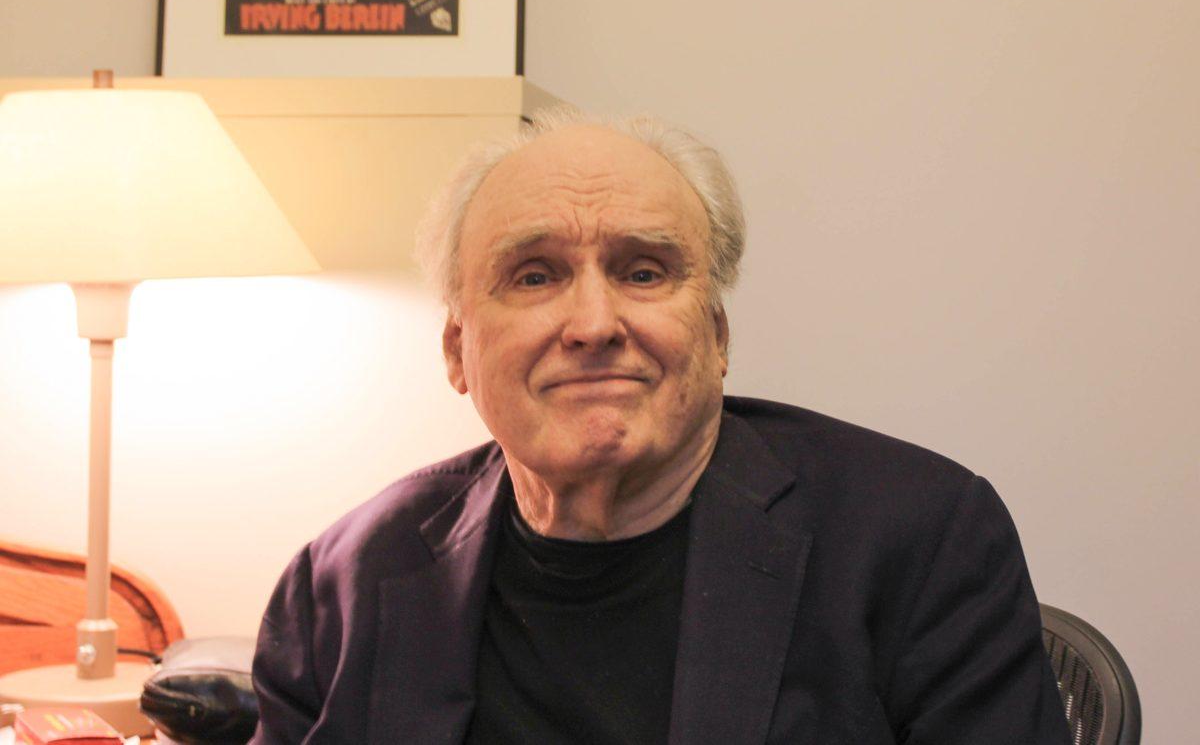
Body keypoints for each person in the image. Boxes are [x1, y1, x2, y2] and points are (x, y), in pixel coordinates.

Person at [250, 110, 1070, 743]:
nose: (594, 322)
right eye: (534, 276)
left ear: (716, 338)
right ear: (458, 348)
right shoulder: (341, 584)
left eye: (644, 271)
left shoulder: (922, 539)